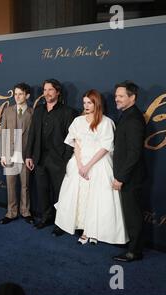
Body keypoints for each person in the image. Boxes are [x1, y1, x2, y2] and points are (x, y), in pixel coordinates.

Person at [54, 89, 128, 245]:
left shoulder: (107, 122)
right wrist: (80, 164)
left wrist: (88, 166)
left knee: (95, 199)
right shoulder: (78, 121)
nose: (86, 106)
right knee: (80, 196)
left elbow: (105, 147)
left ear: (97, 103)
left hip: (98, 164)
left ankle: (91, 231)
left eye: (90, 102)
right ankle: (80, 227)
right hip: (78, 164)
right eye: (84, 103)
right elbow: (76, 144)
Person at [25, 79, 77, 236]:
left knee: (60, 193)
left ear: (58, 92)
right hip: (39, 158)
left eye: (50, 90)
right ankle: (46, 217)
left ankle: (60, 224)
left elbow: (72, 138)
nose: (47, 93)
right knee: (42, 190)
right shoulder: (39, 110)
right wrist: (29, 155)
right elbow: (32, 134)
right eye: (45, 90)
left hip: (58, 160)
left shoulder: (68, 112)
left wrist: (66, 158)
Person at [112, 81, 146, 262]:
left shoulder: (133, 119)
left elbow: (134, 153)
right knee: (130, 213)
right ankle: (132, 246)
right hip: (128, 176)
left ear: (132, 97)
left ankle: (134, 251)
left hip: (131, 178)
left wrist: (121, 177)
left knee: (133, 215)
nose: (116, 99)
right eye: (116, 95)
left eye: (121, 96)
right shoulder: (126, 115)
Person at [0, 83, 34, 225]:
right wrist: (2, 154)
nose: (17, 97)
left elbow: (34, 136)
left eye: (20, 94)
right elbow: (3, 133)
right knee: (11, 185)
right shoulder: (7, 111)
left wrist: (31, 155)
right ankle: (11, 213)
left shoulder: (33, 113)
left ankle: (25, 212)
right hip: (9, 154)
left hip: (25, 155)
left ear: (27, 96)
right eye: (15, 94)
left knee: (25, 185)